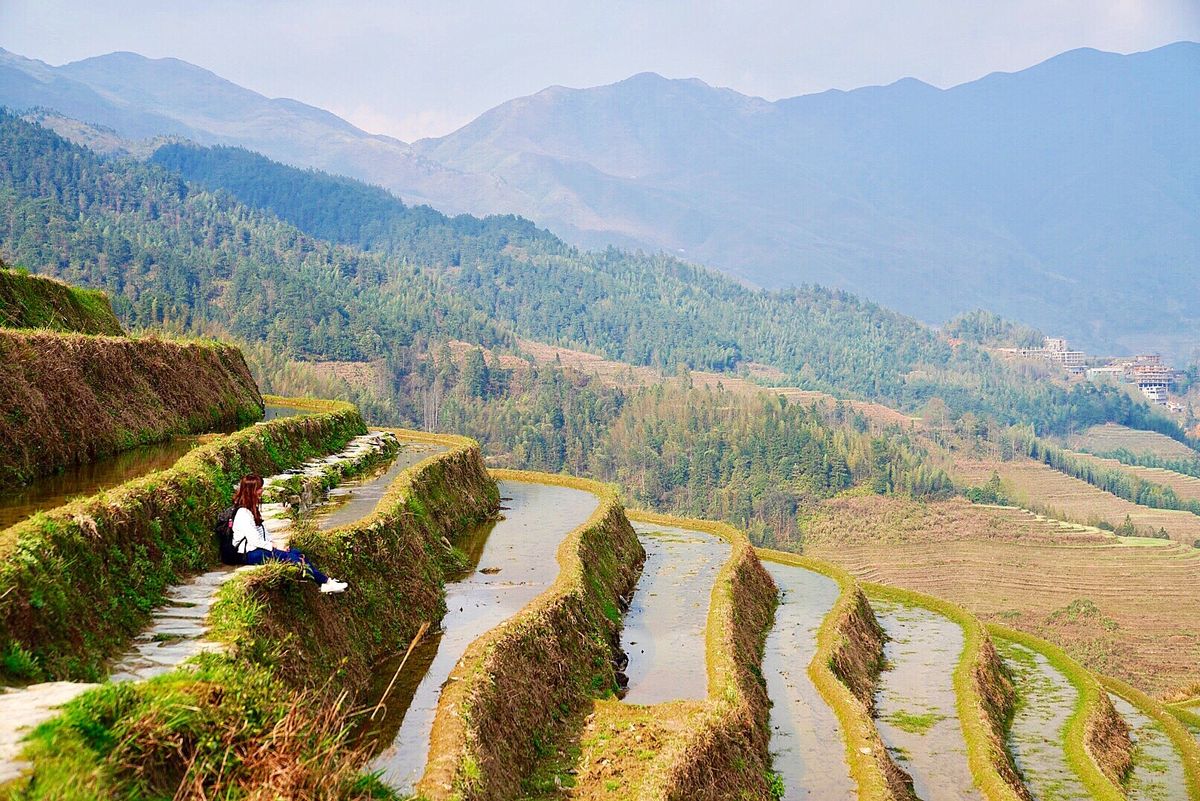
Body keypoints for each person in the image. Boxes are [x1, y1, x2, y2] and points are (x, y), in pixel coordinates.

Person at [231, 474, 348, 594]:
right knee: (293, 558)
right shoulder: (243, 513)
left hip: (258, 550)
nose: (262, 490)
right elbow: (254, 540)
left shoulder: (252, 509)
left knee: (297, 553)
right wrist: (275, 546)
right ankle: (325, 582)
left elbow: (263, 533)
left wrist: (276, 544)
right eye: (259, 488)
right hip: (250, 554)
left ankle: (324, 583)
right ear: (251, 491)